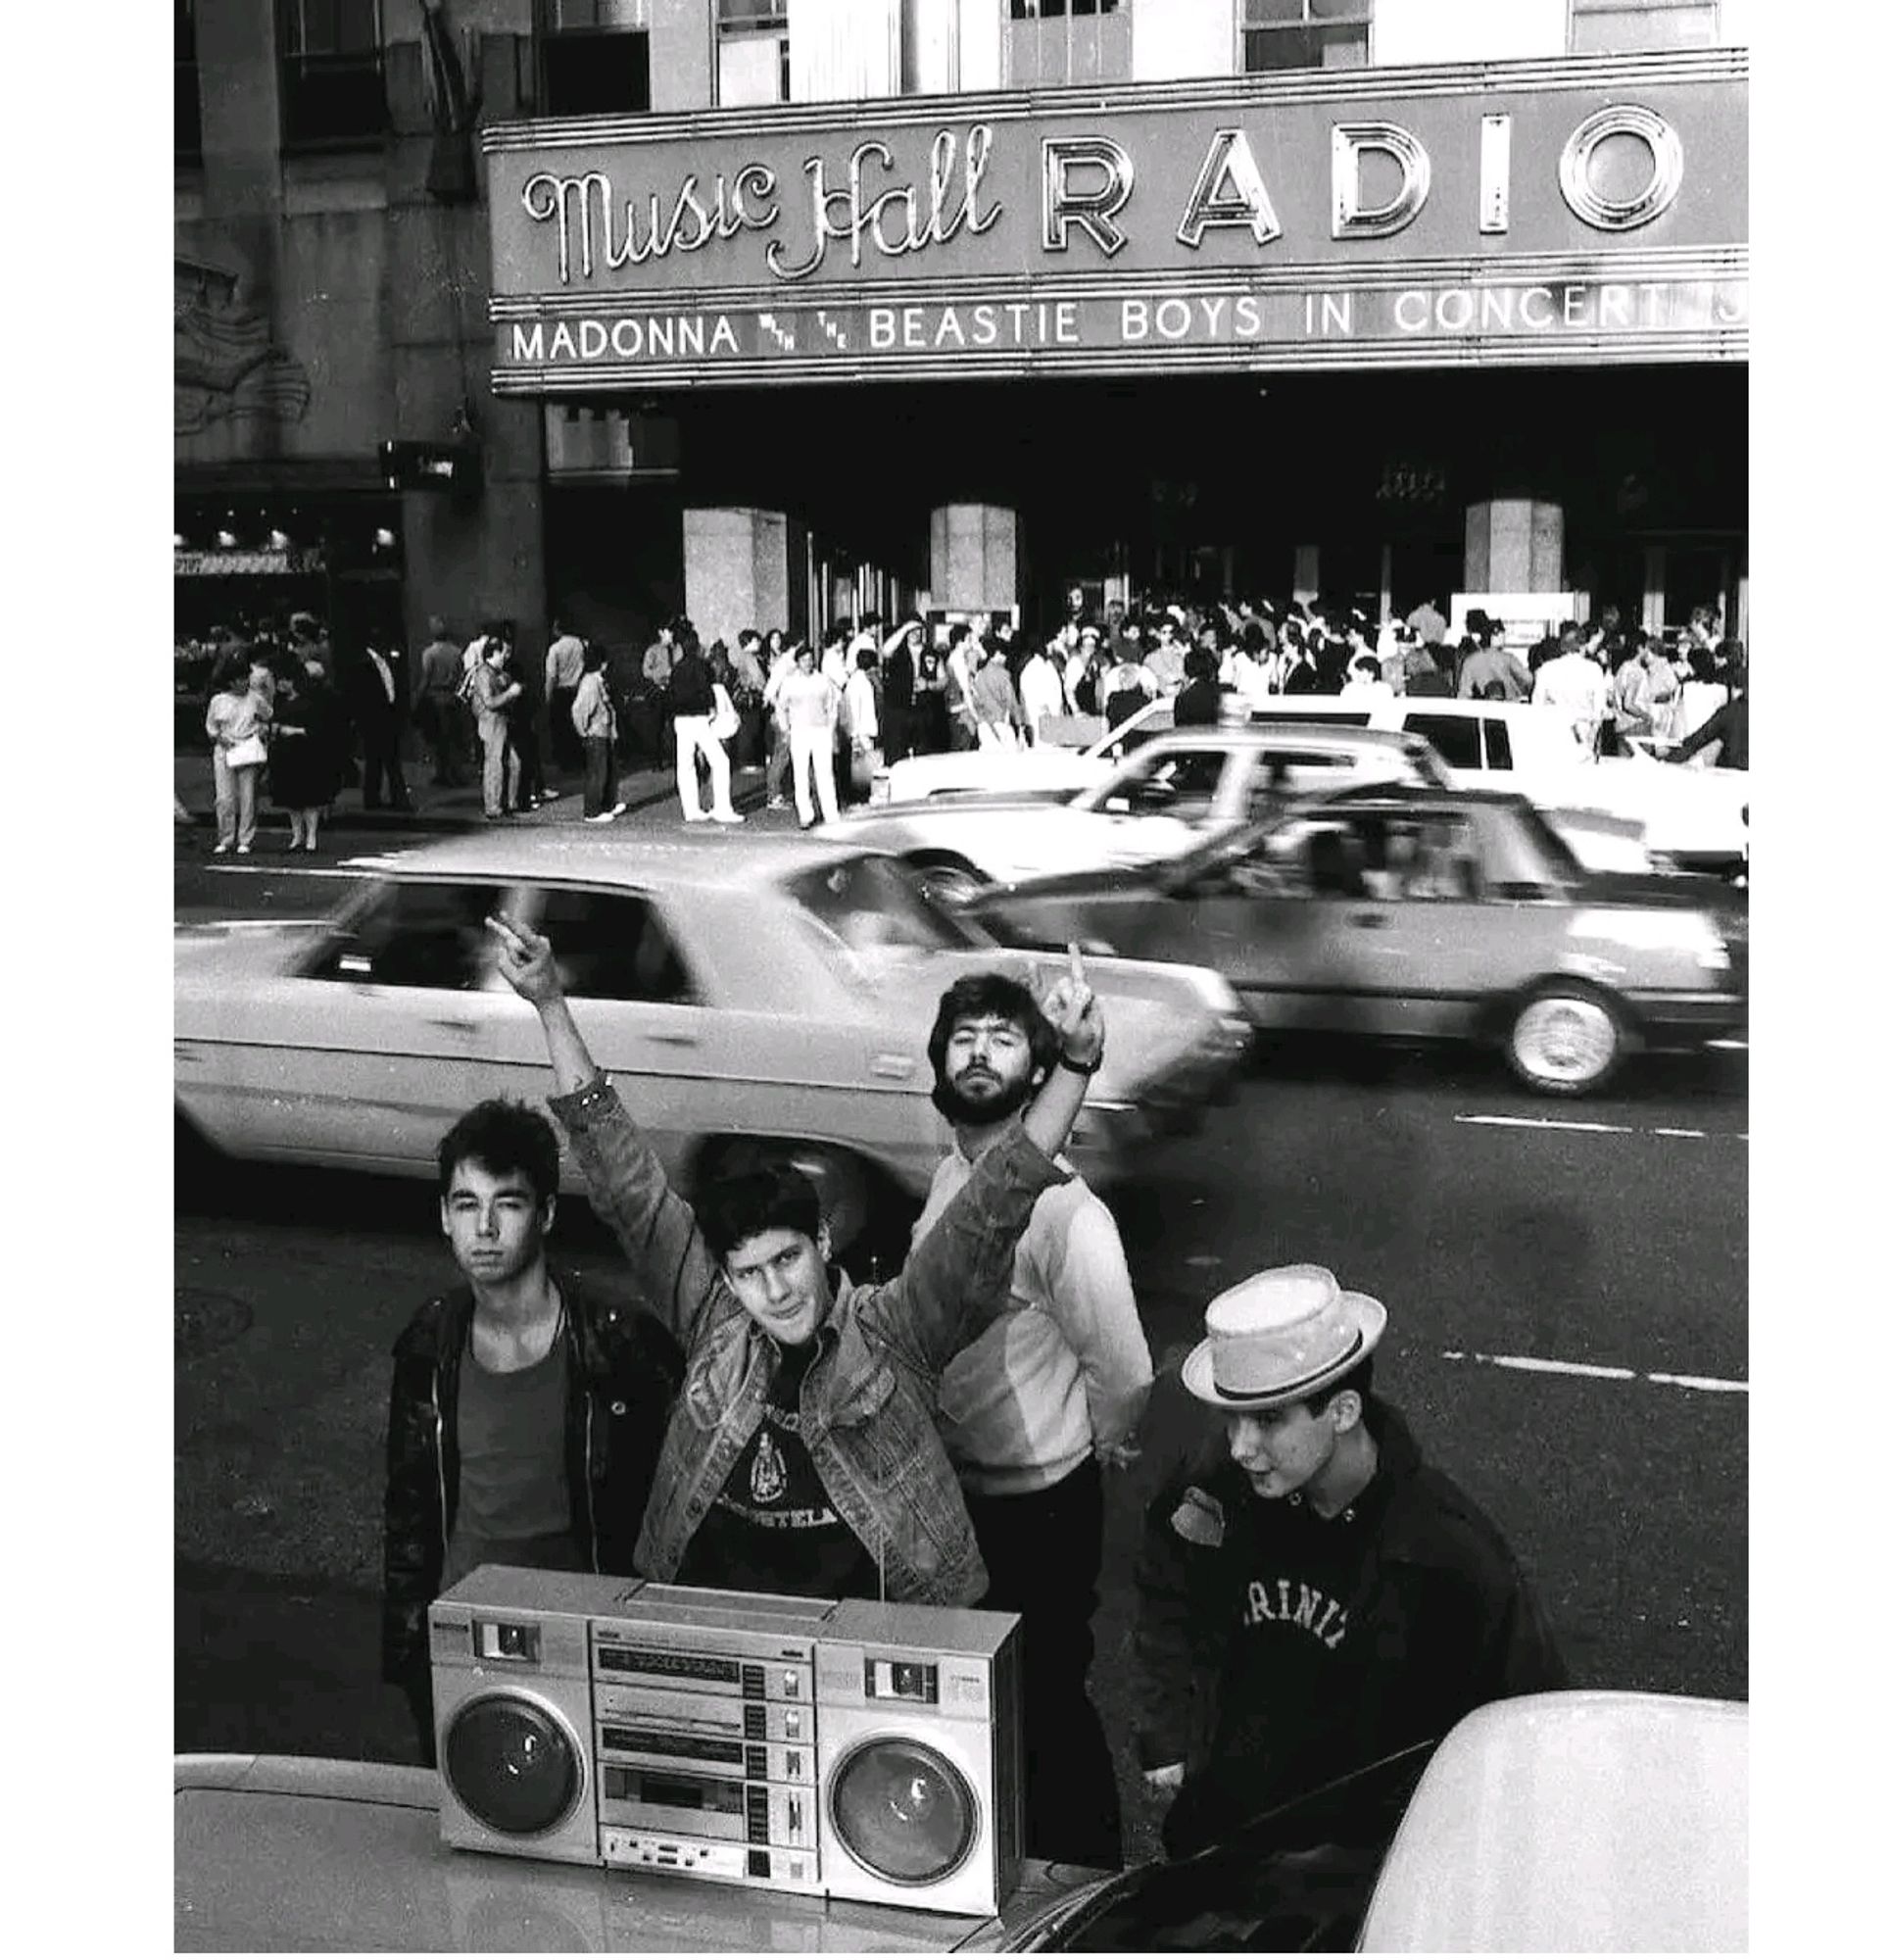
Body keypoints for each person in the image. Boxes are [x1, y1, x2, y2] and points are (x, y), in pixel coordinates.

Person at [484, 916, 1107, 1609]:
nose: (775, 1291)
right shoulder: (713, 1318)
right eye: (749, 1274)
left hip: (866, 1651)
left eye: (787, 1259)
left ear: (824, 1241)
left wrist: (1076, 1064)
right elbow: (622, 1175)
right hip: (726, 1633)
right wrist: (549, 1003)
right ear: (724, 1279)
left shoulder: (896, 1331)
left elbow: (1001, 1194)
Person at [1135, 1264, 1567, 1862]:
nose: (1240, 1447)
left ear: (1340, 1411)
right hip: (1222, 1849)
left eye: (1267, 1420)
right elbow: (1167, 1589)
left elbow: (1527, 1726)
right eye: (1231, 1418)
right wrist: (1165, 1730)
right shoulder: (1218, 1485)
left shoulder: (1449, 1558)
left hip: (1358, 1875)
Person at [909, 974, 1150, 1869]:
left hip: (1040, 1505)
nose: (978, 1050)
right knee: (982, 1704)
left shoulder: (1063, 1210)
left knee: (1046, 1701)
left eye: (1003, 1038)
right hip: (957, 1496)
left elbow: (1122, 1368)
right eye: (962, 1035)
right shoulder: (949, 1174)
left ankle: (1086, 1890)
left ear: (1042, 1067)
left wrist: (1101, 1441)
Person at [380, 1098, 685, 1765]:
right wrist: (410, 1654)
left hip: (581, 1639)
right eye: (465, 1204)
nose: (483, 1228)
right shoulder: (430, 1342)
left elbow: (665, 1516)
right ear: (442, 1216)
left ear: (545, 1213)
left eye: (507, 1203)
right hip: (464, 1637)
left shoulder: (617, 1342)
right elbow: (409, 1514)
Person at [267, 660, 347, 852]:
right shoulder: (280, 701)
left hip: (306, 752)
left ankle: (310, 836)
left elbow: (318, 728)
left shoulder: (311, 702)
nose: (279, 684)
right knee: (291, 799)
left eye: (283, 680)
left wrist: (293, 731)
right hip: (286, 753)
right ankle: (297, 836)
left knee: (309, 798)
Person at [667, 628, 741, 824]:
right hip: (699, 719)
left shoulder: (677, 668)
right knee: (720, 761)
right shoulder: (702, 666)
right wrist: (711, 710)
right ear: (698, 646)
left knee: (686, 765)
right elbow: (706, 691)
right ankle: (722, 808)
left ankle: (691, 810)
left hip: (680, 720)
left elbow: (671, 696)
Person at [206, 656, 273, 855]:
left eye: (246, 678)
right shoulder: (218, 701)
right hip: (225, 748)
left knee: (248, 796)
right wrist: (218, 737)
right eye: (240, 679)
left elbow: (268, 716)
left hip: (247, 747)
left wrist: (261, 729)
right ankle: (225, 837)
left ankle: (245, 838)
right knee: (224, 797)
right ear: (231, 681)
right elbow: (211, 726)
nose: (244, 683)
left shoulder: (255, 699)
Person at [779, 641, 842, 826]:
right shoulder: (790, 682)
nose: (808, 663)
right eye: (804, 660)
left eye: (810, 659)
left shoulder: (823, 680)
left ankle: (831, 814)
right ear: (797, 662)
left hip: (820, 730)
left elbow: (831, 707)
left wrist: (830, 728)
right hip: (799, 731)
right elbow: (781, 707)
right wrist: (786, 729)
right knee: (801, 774)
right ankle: (806, 814)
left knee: (825, 772)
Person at [354, 630, 414, 812]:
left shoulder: (384, 661)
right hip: (374, 719)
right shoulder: (364, 663)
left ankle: (380, 798)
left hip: (386, 717)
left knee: (384, 760)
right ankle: (385, 798)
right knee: (382, 761)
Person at [1532, 626, 1611, 753]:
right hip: (1583, 729)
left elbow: (1537, 705)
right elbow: (1599, 709)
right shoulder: (1593, 670)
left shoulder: (1546, 669)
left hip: (1554, 729)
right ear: (1582, 646)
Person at [470, 630, 523, 820]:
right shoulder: (484, 674)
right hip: (491, 723)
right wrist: (510, 693)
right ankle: (493, 806)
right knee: (495, 765)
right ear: (494, 653)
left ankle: (509, 803)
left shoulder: (497, 673)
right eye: (503, 652)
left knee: (512, 763)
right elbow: (490, 702)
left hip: (501, 722)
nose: (506, 656)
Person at [572, 642, 626, 823]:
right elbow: (579, 710)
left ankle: (607, 804)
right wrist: (583, 731)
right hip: (596, 732)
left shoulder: (597, 681)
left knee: (608, 770)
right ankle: (592, 810)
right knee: (597, 773)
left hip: (604, 731)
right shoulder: (590, 684)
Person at [415, 617, 470, 786]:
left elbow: (426, 678)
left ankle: (442, 773)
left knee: (438, 739)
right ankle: (456, 773)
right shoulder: (457, 652)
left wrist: (417, 697)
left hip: (435, 698)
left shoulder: (429, 653)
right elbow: (463, 675)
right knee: (454, 737)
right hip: (453, 698)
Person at [545, 616, 587, 776]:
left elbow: (551, 676)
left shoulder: (555, 649)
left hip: (561, 691)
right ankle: (580, 759)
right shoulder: (580, 644)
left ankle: (566, 762)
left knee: (562, 729)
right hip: (578, 689)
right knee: (578, 725)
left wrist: (548, 696)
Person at [969, 640, 1026, 750]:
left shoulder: (979, 675)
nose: (1005, 659)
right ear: (998, 653)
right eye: (1004, 655)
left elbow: (975, 701)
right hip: (1001, 724)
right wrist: (1020, 725)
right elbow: (1011, 703)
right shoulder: (1003, 674)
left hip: (984, 725)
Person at [843, 647, 882, 802]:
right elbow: (854, 709)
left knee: (865, 768)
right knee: (862, 770)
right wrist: (855, 736)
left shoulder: (861, 680)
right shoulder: (859, 683)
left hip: (864, 731)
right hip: (861, 732)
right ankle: (859, 799)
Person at [1455, 626, 1531, 702]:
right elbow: (1528, 678)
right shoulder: (1508, 658)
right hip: (1510, 705)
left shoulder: (1470, 661)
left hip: (1482, 707)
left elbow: (1464, 694)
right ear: (1495, 637)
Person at [1018, 636, 1065, 744]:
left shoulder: (1048, 666)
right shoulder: (1033, 669)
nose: (1052, 646)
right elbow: (1031, 699)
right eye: (1049, 643)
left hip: (1052, 721)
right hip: (1041, 720)